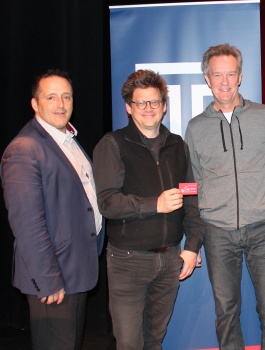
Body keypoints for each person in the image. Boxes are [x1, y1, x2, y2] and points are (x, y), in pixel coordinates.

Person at [184, 43, 265, 349]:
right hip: (217, 231)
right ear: (207, 79)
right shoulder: (195, 127)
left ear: (241, 76)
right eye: (217, 75)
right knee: (226, 313)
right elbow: (194, 184)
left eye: (231, 74)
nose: (225, 81)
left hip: (262, 228)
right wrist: (195, 235)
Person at [93, 70, 205, 350]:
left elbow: (191, 198)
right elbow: (107, 202)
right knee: (130, 343)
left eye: (154, 102)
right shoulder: (113, 144)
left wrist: (192, 246)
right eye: (141, 103)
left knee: (154, 340)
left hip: (169, 259)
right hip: (127, 261)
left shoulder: (177, 145)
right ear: (129, 108)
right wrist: (155, 204)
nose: (148, 109)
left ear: (164, 106)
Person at [1, 69, 103, 350]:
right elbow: (27, 225)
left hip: (76, 268)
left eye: (66, 96)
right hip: (54, 278)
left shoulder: (67, 139)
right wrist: (48, 281)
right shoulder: (25, 149)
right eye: (51, 97)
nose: (61, 104)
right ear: (35, 104)